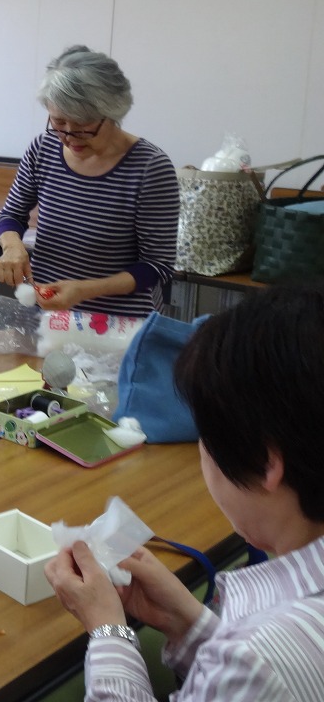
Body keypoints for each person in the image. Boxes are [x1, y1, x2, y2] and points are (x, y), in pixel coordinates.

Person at [45, 283, 324, 701]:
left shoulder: (257, 660)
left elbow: (257, 669)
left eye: (204, 435)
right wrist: (188, 622)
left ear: (266, 463)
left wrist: (107, 628)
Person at [0, 46, 178, 318]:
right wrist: (12, 247)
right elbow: (11, 215)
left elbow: (157, 265)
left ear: (112, 113)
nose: (69, 137)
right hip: (51, 314)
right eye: (59, 122)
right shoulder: (43, 149)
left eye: (82, 126)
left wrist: (85, 290)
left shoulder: (150, 167)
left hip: (119, 323)